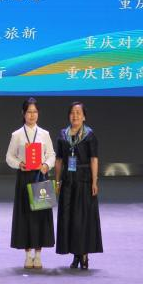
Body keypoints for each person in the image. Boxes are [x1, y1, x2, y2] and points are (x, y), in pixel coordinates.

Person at [6, 97, 56, 269]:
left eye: (35, 112)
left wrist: (46, 165)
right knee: (25, 216)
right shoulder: (17, 134)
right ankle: (27, 255)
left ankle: (38, 255)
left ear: (38, 113)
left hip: (40, 176)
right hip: (24, 177)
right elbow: (9, 157)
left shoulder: (44, 134)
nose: (32, 115)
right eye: (29, 112)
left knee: (40, 216)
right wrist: (19, 164)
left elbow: (51, 155)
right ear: (23, 113)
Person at [55, 101, 103, 269]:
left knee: (82, 218)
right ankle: (75, 254)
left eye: (78, 113)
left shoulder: (89, 135)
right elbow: (59, 160)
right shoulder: (63, 135)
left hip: (84, 180)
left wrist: (94, 181)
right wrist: (57, 181)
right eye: (72, 112)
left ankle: (84, 254)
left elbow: (94, 159)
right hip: (68, 180)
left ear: (84, 117)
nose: (75, 115)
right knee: (69, 217)